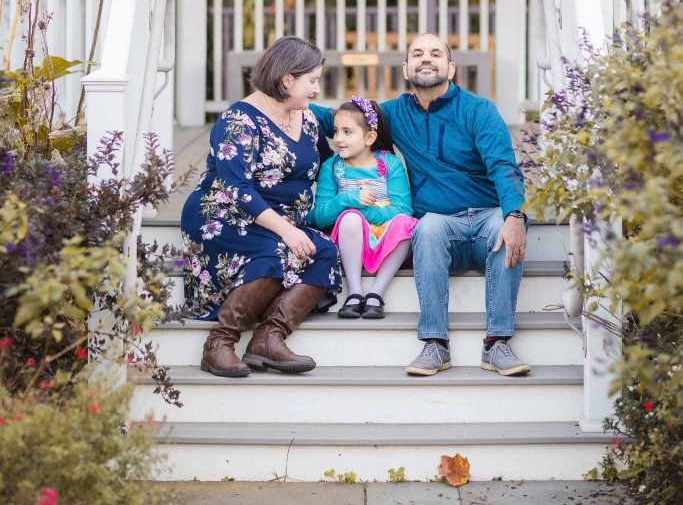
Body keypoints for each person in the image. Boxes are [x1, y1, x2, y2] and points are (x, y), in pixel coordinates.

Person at [312, 33, 530, 378]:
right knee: (426, 225)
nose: (426, 59)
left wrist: (514, 214)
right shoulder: (395, 114)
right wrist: (278, 99)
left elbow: (503, 165)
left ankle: (497, 344)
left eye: (435, 53)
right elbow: (339, 119)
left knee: (502, 227)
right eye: (417, 54)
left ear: (451, 67)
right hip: (440, 224)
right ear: (406, 68)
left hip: (487, 215)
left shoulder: (479, 110)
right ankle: (434, 344)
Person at [181, 36, 341, 378]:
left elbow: (334, 159)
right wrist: (286, 230)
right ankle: (219, 342)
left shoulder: (307, 118)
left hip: (279, 220)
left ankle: (269, 338)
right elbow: (235, 186)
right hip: (223, 213)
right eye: (311, 81)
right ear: (287, 80)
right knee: (276, 253)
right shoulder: (238, 120)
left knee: (324, 250)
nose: (316, 89)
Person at [308, 96, 416, 320]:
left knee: (407, 225)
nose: (338, 139)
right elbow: (318, 217)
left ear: (369, 137)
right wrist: (348, 200)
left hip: (385, 240)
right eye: (336, 131)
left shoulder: (389, 164)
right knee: (350, 219)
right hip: (349, 241)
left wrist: (365, 212)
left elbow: (402, 209)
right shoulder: (332, 168)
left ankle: (377, 292)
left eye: (348, 132)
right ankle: (355, 292)